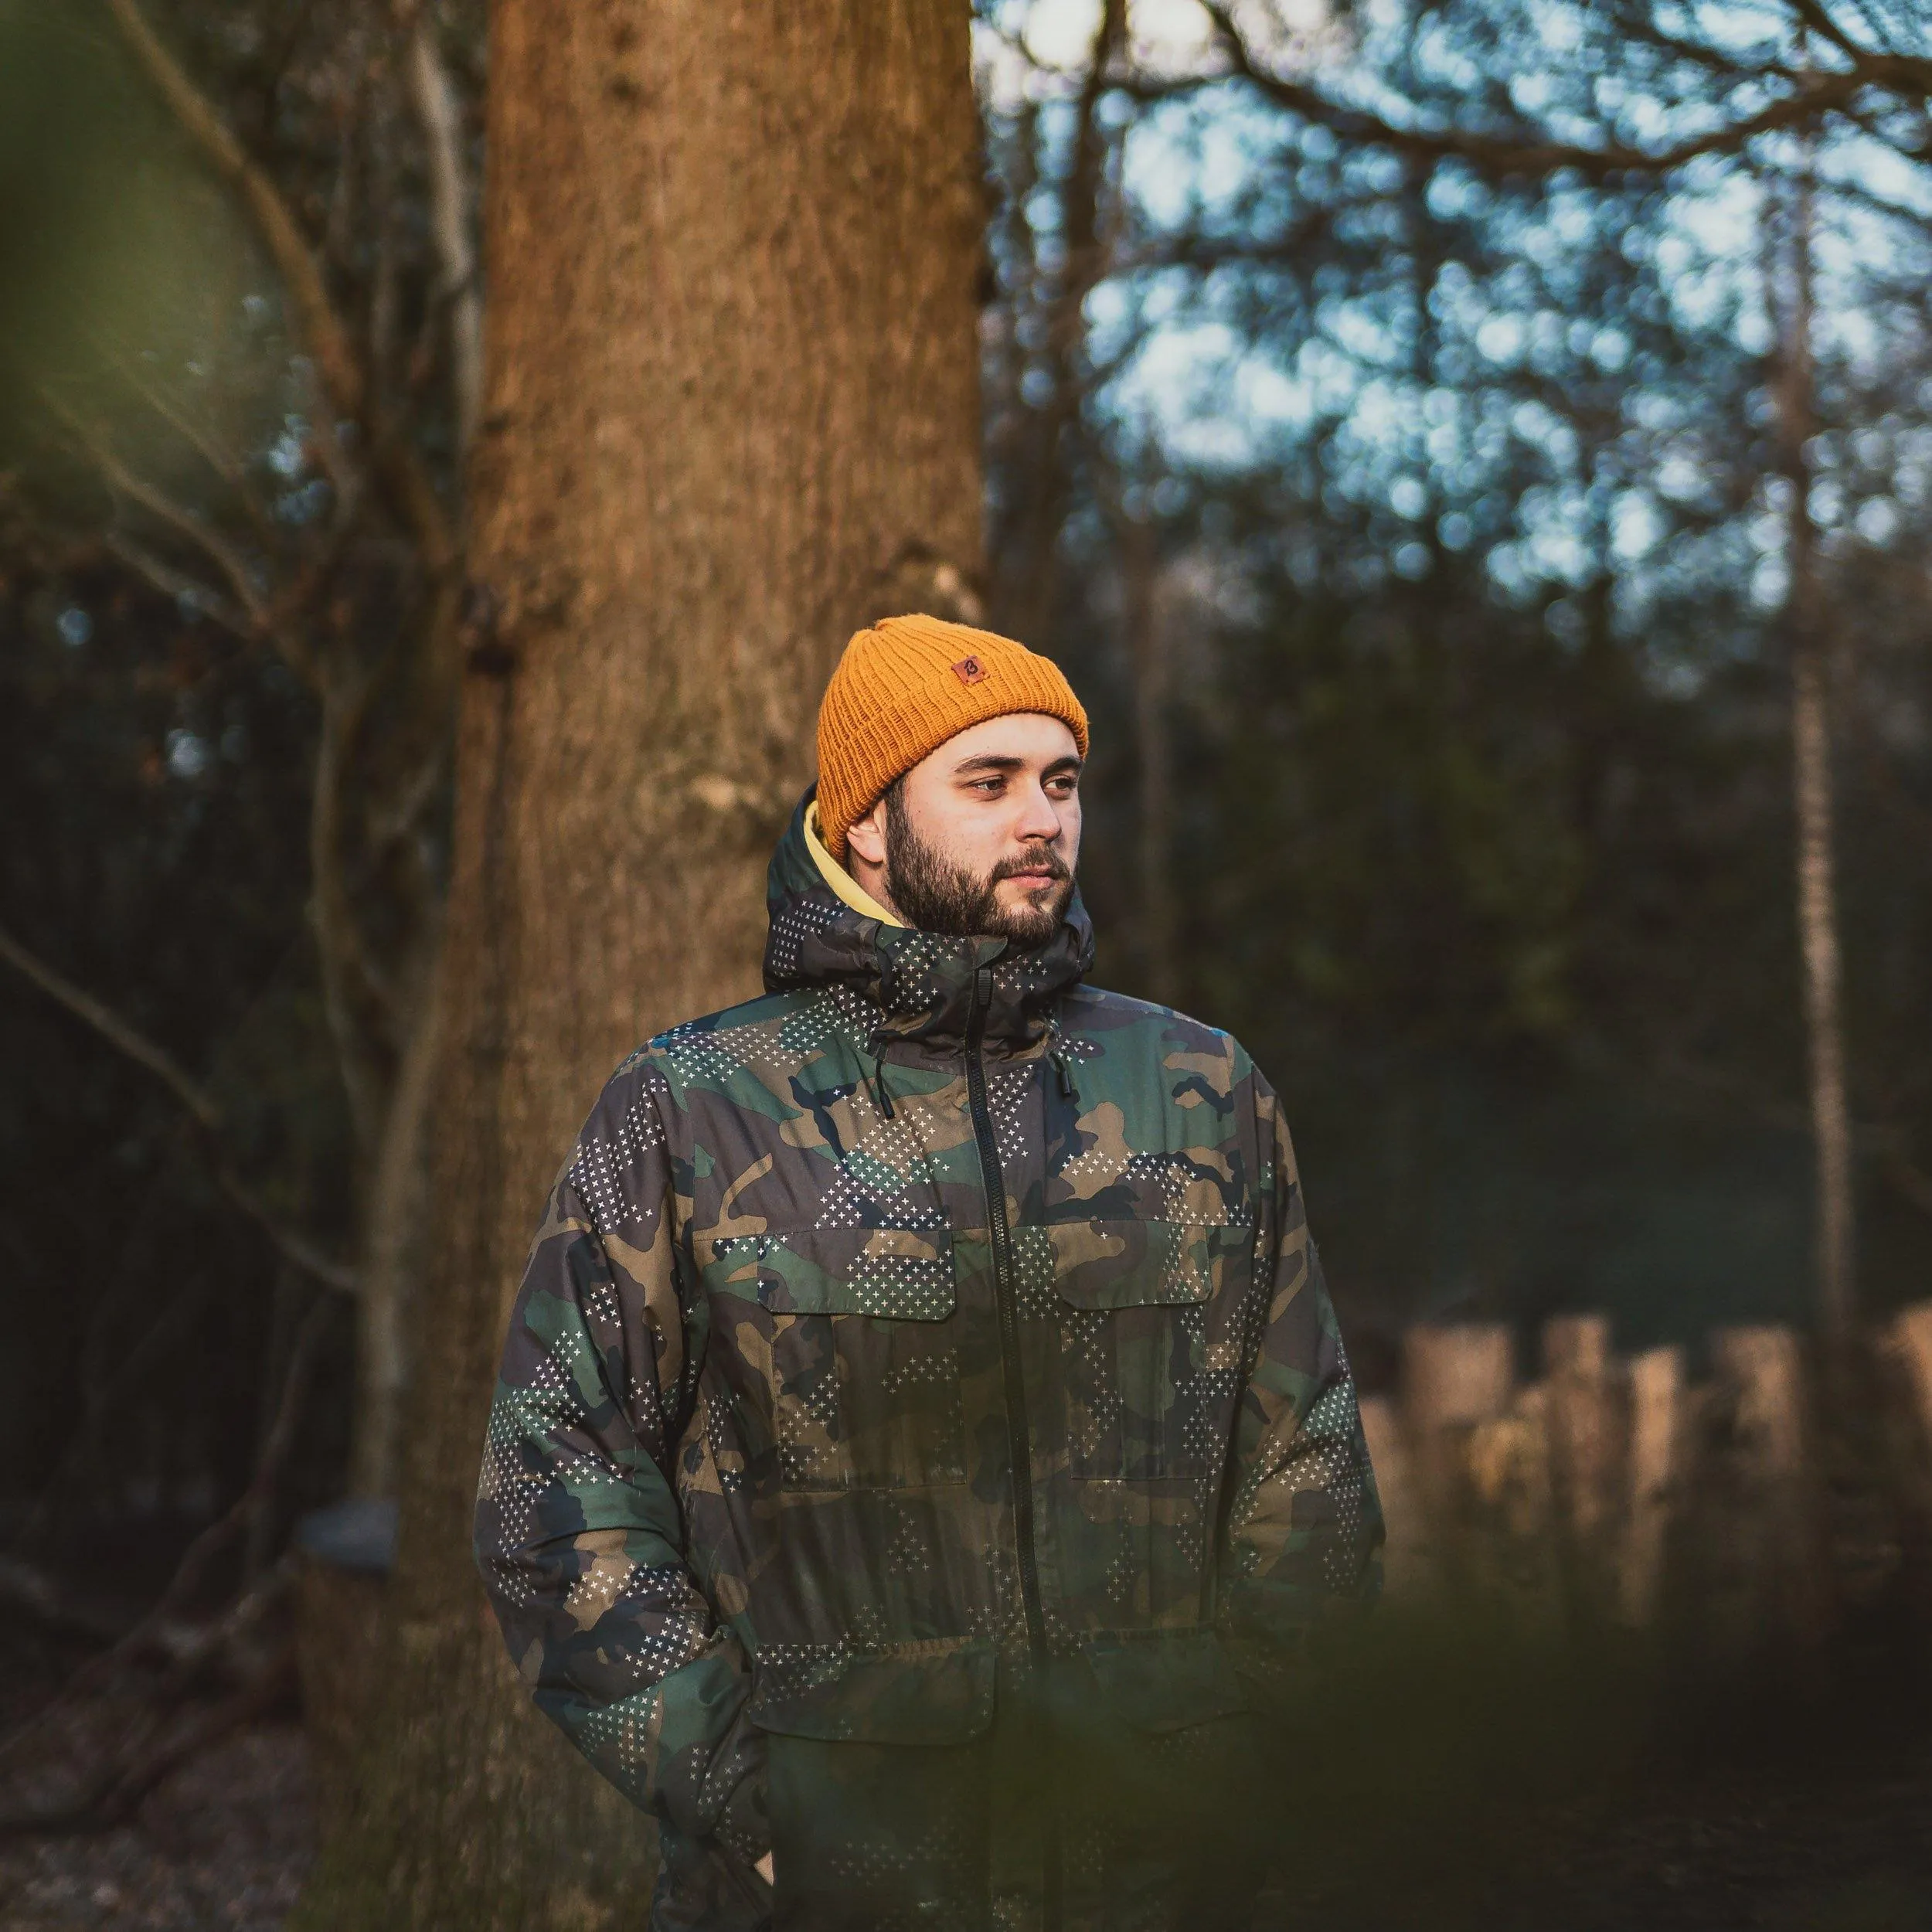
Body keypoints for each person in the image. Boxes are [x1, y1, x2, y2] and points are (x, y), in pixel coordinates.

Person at [474, 613, 1383, 1931]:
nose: (1042, 822)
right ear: (865, 825)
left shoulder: (1201, 1088)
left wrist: (1249, 1776)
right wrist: (748, 1800)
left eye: (1061, 783)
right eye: (989, 782)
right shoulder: (693, 1104)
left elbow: (1307, 1463)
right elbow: (556, 1485)